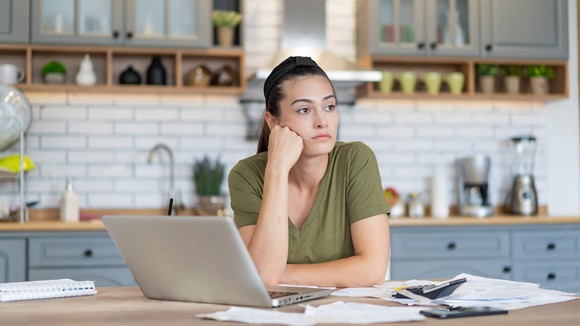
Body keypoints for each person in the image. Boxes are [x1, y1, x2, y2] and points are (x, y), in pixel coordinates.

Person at [228, 56, 390, 287]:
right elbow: (261, 276)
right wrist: (276, 169)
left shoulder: (356, 159)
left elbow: (372, 271)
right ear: (272, 122)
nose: (322, 121)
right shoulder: (247, 175)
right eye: (304, 110)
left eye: (330, 107)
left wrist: (279, 274)